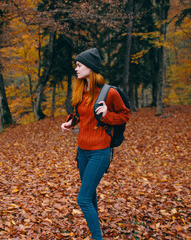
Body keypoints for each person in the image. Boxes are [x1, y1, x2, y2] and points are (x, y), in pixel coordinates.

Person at [61, 48, 130, 240]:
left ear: (90, 68)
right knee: (89, 196)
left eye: (79, 65)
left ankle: (97, 237)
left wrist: (107, 115)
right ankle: (95, 232)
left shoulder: (110, 92)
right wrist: (70, 122)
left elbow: (125, 115)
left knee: (82, 199)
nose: (76, 69)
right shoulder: (81, 90)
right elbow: (79, 114)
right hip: (82, 151)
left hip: (99, 152)